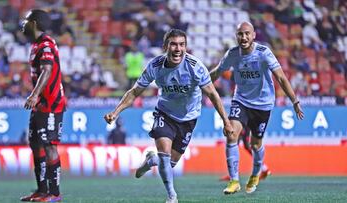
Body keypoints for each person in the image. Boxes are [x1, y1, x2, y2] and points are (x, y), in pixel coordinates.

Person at [104, 29, 234, 203]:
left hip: (188, 118)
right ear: (165, 47)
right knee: (164, 155)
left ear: (186, 47)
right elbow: (135, 92)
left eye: (182, 45)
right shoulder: (155, 66)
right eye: (173, 44)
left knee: (170, 163)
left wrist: (226, 122)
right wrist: (116, 112)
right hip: (165, 113)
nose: (178, 49)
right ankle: (172, 196)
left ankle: (151, 161)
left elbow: (212, 94)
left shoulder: (195, 67)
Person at [210, 22, 304, 195]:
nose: (243, 37)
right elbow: (217, 72)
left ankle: (255, 174)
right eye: (240, 34)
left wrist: (295, 101)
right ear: (236, 36)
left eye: (247, 33)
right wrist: (200, 84)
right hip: (241, 101)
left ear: (253, 35)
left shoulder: (263, 53)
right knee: (231, 133)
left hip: (262, 104)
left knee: (255, 143)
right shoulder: (232, 54)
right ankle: (234, 181)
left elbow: (281, 78)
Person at [20, 9, 66, 202]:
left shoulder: (45, 45)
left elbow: (47, 71)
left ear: (35, 23)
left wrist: (34, 94)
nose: (24, 24)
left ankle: (54, 194)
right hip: (41, 105)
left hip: (51, 105)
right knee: (36, 145)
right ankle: (41, 190)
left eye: (27, 21)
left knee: (49, 146)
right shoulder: (37, 44)